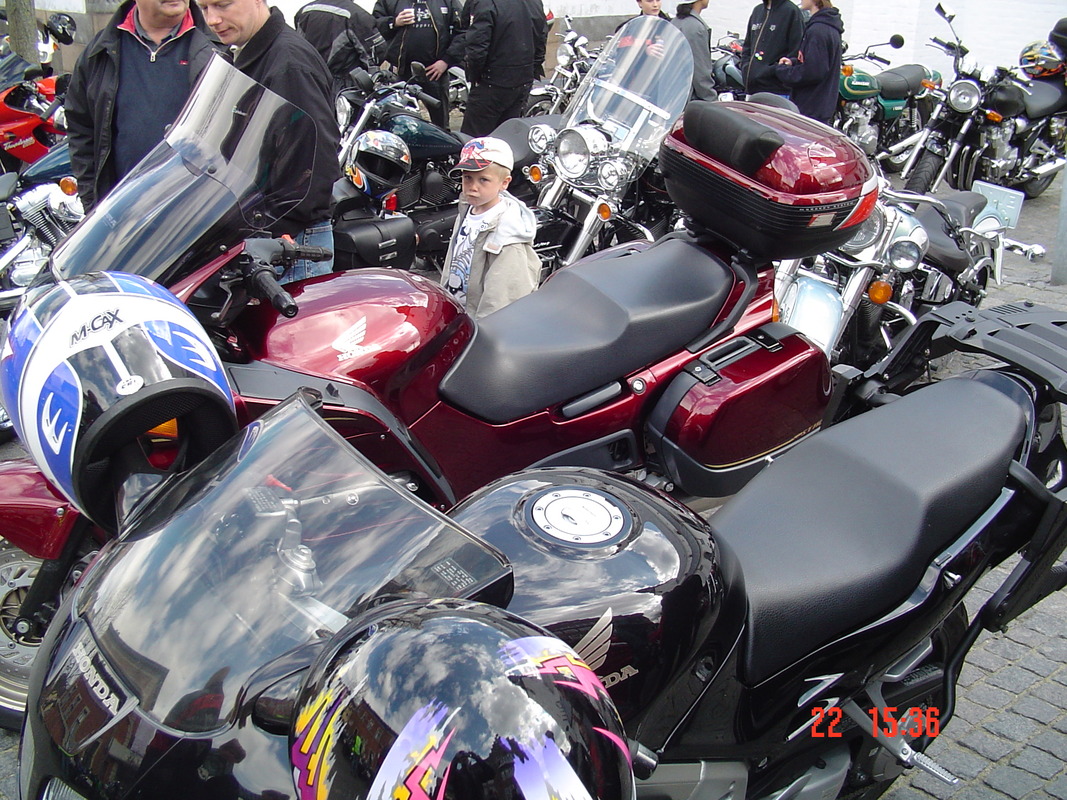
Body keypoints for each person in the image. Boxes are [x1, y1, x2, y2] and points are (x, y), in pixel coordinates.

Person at [197, 0, 340, 281]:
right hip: (260, 234)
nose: (212, 19)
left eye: (222, 5)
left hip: (288, 243)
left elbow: (316, 161)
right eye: (204, 8)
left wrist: (274, 229)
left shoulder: (289, 64)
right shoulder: (245, 54)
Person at [64, 0, 217, 211]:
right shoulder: (101, 51)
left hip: (196, 214)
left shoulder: (218, 47)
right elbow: (81, 130)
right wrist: (94, 204)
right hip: (123, 213)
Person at [440, 137, 540, 319]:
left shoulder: (507, 231)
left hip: (481, 321)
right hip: (458, 310)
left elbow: (502, 296)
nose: (473, 187)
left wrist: (484, 328)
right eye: (467, 178)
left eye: (483, 180)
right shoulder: (467, 210)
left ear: (504, 182)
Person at [459, 0, 547, 137]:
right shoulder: (534, 2)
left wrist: (475, 77)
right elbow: (541, 42)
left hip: (492, 82)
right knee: (507, 136)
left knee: (475, 141)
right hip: (521, 80)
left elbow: (477, 48)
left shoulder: (485, 3)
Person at [373, 0, 464, 130]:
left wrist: (446, 61)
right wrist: (394, 23)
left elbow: (463, 31)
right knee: (400, 124)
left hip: (435, 72)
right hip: (401, 72)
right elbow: (374, 26)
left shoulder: (448, 2)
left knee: (441, 126)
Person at [774, 0, 842, 124]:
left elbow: (813, 72)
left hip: (810, 109)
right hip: (820, 106)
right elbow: (818, 62)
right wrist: (794, 62)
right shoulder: (828, 26)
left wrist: (783, 71)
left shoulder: (817, 31)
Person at [294, 0, 385, 79]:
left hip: (311, 82)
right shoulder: (356, 15)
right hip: (346, 85)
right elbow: (376, 56)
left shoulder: (303, 12)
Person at [740, 0, 804, 96]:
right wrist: (745, 67)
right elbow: (747, 47)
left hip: (777, 91)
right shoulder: (757, 10)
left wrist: (776, 70)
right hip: (751, 89)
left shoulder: (791, 12)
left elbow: (796, 51)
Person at [671, 0, 716, 101]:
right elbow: (700, 71)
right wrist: (711, 99)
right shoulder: (696, 27)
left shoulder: (675, 21)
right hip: (687, 97)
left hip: (672, 94)